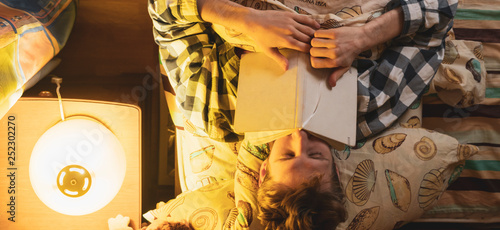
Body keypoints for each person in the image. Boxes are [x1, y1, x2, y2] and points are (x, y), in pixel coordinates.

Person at [148, 0, 456, 228]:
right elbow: (439, 14)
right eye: (316, 154)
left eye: (287, 155)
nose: (299, 136)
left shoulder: (214, 110)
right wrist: (365, 37)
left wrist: (248, 19)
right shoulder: (367, 108)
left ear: (263, 171)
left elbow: (165, 10)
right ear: (336, 167)